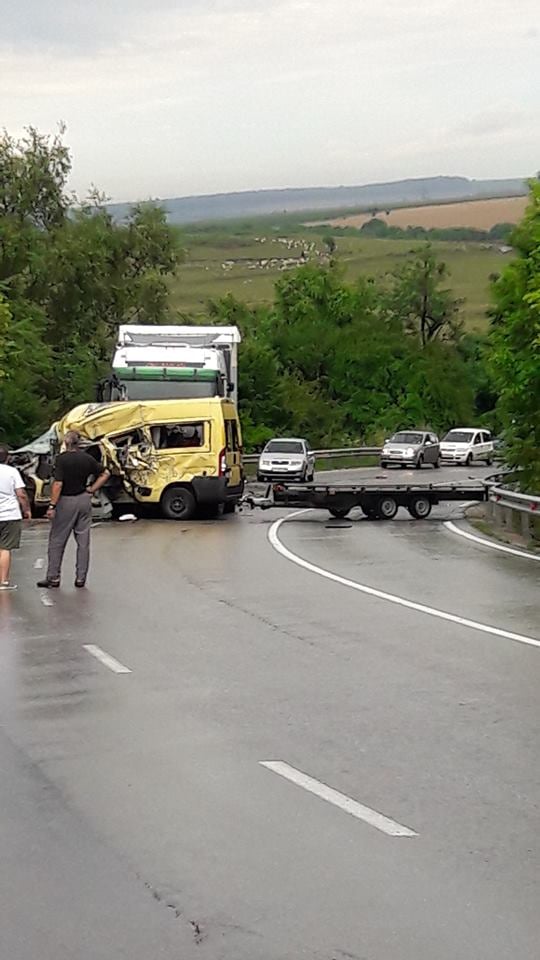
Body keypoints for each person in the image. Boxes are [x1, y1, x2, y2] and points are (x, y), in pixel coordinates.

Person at [37, 431, 110, 589]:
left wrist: (52, 505)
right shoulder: (87, 458)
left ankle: (53, 577)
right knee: (83, 542)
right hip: (84, 499)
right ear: (78, 443)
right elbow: (105, 473)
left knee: (57, 540)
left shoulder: (61, 459)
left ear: (65, 442)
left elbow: (58, 484)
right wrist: (91, 489)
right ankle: (80, 578)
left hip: (66, 501)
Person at [0, 444, 32, 590]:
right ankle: (4, 581)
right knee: (5, 548)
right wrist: (26, 510)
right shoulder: (12, 472)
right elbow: (21, 494)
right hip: (9, 514)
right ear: (7, 458)